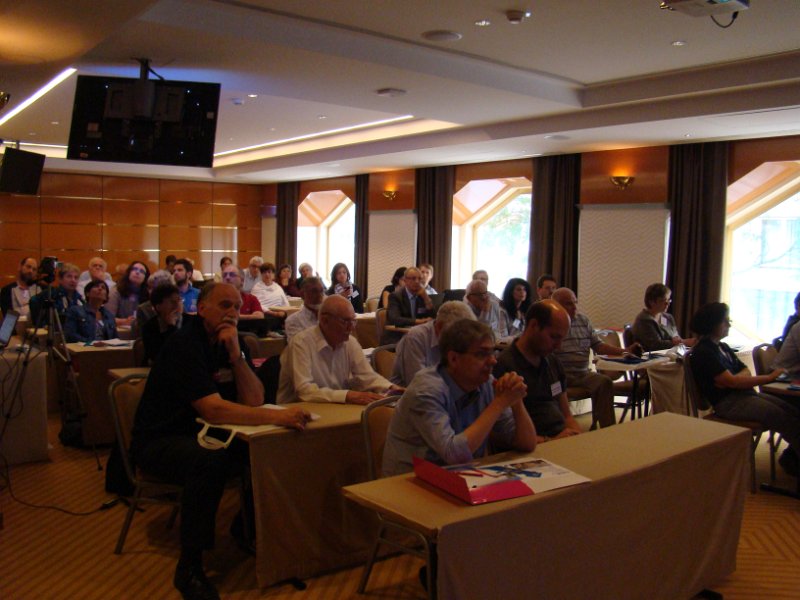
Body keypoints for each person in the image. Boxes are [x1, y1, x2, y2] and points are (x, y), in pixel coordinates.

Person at [130, 282, 311, 600]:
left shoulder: (232, 342)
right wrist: (277, 416)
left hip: (207, 433)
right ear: (201, 309)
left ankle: (246, 528)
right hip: (162, 439)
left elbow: (254, 399)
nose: (232, 313)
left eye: (237, 307)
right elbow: (213, 410)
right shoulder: (184, 344)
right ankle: (190, 567)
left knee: (270, 447)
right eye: (225, 305)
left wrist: (236, 357)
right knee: (208, 460)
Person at [382, 319, 536, 477]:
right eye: (482, 354)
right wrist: (499, 403)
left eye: (492, 352)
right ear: (453, 359)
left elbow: (527, 443)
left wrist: (515, 400)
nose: (493, 361)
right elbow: (453, 455)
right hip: (410, 480)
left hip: (461, 476)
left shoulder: (485, 384)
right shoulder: (426, 391)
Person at [689, 302, 800, 476]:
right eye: (725, 321)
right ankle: (792, 460)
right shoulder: (704, 352)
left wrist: (734, 380)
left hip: (743, 395)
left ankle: (792, 458)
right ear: (712, 324)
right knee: (782, 417)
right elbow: (733, 382)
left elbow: (745, 372)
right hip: (728, 404)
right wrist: (768, 377)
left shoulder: (722, 347)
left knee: (792, 411)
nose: (729, 324)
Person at [277, 295, 395, 404]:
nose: (351, 327)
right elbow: (305, 391)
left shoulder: (350, 342)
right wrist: (347, 395)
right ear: (325, 320)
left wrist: (392, 388)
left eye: (353, 321)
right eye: (345, 321)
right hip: (296, 410)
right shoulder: (301, 344)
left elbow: (367, 376)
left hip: (335, 407)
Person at [494, 300, 582, 443]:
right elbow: (504, 433)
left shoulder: (553, 363)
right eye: (554, 337)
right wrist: (551, 441)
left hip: (560, 440)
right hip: (532, 445)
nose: (559, 346)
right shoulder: (505, 367)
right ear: (534, 325)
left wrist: (577, 435)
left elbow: (567, 416)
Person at [551, 288, 639, 429]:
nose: (574, 307)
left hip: (582, 374)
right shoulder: (551, 323)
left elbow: (599, 346)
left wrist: (624, 351)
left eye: (575, 302)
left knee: (604, 382)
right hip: (558, 376)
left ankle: (608, 429)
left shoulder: (583, 321)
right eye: (569, 304)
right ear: (556, 305)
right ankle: (558, 429)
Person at [391, 300, 476, 387]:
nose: (461, 341)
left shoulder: (459, 339)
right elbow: (418, 384)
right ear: (439, 327)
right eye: (457, 335)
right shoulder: (415, 338)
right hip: (409, 393)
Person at [632, 283, 695, 351]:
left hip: (669, 353)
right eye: (663, 300)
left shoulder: (667, 317)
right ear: (651, 302)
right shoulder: (644, 320)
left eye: (668, 300)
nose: (667, 303)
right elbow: (656, 345)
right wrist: (683, 342)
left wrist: (678, 341)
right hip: (650, 355)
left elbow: (676, 337)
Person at [384, 267, 436, 343]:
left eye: (419, 279)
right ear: (405, 281)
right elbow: (395, 319)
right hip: (397, 338)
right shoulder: (395, 296)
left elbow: (433, 317)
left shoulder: (422, 296)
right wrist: (419, 321)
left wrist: (426, 298)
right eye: (413, 279)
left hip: (417, 337)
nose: (417, 281)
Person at [141, 283, 186, 364]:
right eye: (172, 302)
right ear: (158, 307)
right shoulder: (149, 328)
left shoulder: (191, 322)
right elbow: (162, 356)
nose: (178, 305)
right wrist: (171, 327)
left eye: (179, 300)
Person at [30, 262, 83, 326]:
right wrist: (42, 324)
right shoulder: (51, 294)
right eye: (69, 276)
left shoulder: (80, 298)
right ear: (60, 279)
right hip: (54, 329)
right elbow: (33, 301)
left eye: (76, 277)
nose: (73, 280)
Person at [106, 261, 150, 327]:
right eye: (134, 269)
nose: (137, 272)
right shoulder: (116, 291)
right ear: (128, 273)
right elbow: (107, 319)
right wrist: (124, 321)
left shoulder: (147, 293)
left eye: (142, 271)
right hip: (118, 330)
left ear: (145, 278)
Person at [133, 270, 174, 335]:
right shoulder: (143, 309)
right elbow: (143, 336)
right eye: (149, 288)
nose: (150, 292)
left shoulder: (177, 306)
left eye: (154, 288)